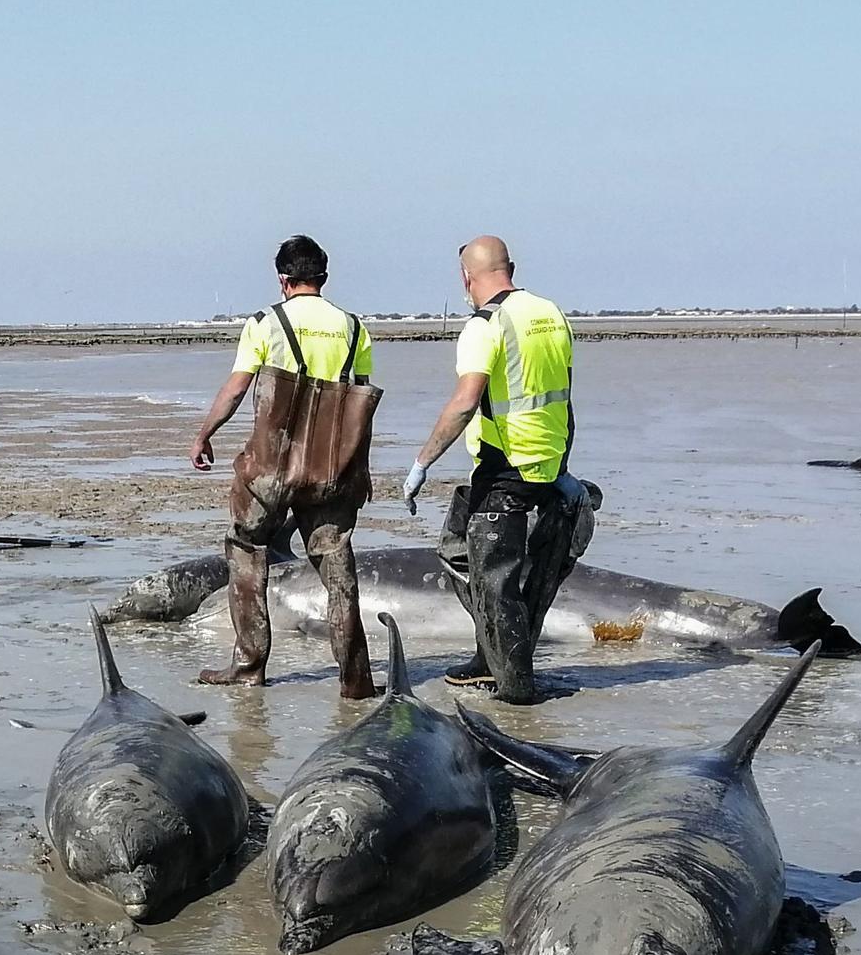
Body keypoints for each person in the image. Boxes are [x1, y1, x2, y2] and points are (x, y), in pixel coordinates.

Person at [399, 236, 590, 704]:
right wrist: (560, 468)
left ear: (466, 278)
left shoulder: (485, 325)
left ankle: (516, 692)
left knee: (494, 580)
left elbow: (466, 402)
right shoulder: (550, 313)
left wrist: (422, 462)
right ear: (512, 267)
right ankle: (490, 656)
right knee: (464, 553)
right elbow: (560, 393)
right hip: (551, 463)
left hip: (506, 467)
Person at [189, 235, 378, 694]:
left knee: (247, 549)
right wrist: (360, 471)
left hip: (271, 469)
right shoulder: (354, 329)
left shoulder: (265, 323)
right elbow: (359, 404)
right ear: (324, 279)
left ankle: (249, 665)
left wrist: (204, 434)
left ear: (282, 279)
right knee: (337, 568)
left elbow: (236, 390)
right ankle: (355, 679)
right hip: (332, 469)